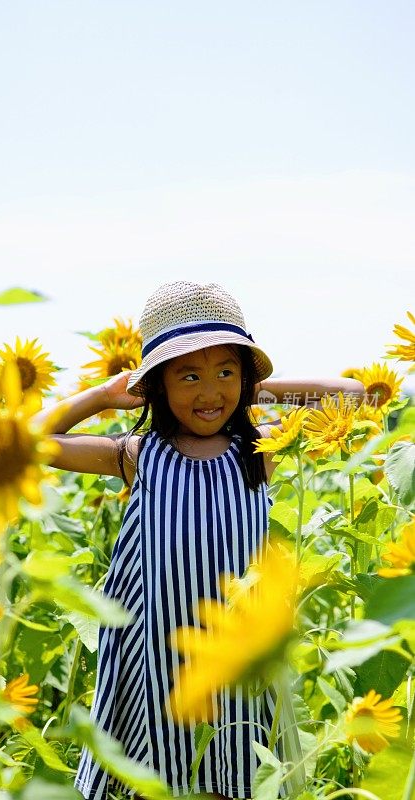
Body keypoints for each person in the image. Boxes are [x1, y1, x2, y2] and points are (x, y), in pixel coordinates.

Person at [37, 281, 365, 800]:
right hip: (156, 649)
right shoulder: (137, 454)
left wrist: (254, 391)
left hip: (237, 646)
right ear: (158, 387)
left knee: (232, 769)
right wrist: (103, 395)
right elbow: (29, 442)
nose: (210, 392)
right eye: (188, 376)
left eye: (226, 372)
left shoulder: (262, 447)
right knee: (160, 774)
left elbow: (352, 396)